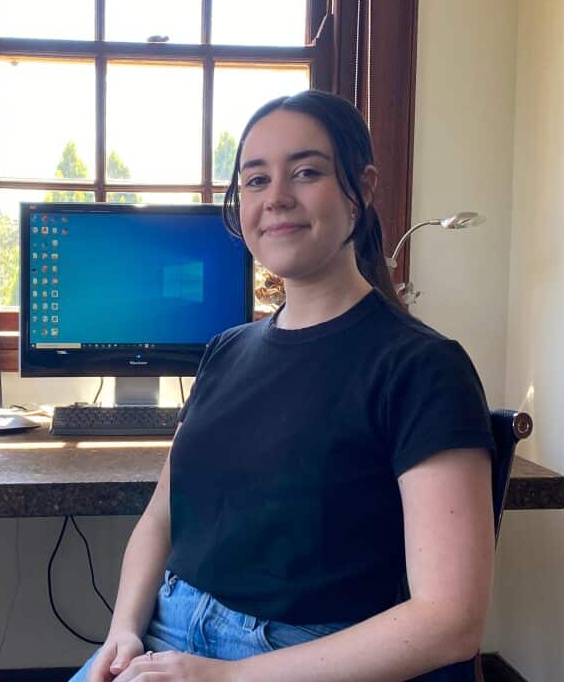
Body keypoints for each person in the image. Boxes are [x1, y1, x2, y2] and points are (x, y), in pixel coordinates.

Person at [71, 90, 496, 682]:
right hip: (165, 636)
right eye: (255, 180)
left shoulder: (422, 367)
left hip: (295, 658)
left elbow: (450, 619)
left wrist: (222, 678)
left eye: (306, 172)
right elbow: (160, 520)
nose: (276, 199)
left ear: (362, 189)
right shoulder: (225, 352)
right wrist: (122, 632)